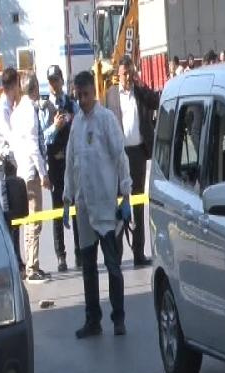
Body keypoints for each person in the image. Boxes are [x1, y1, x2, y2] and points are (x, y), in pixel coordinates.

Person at [63, 71, 131, 338]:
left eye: (86, 94)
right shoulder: (77, 125)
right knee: (88, 267)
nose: (82, 100)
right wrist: (67, 199)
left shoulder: (106, 120)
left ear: (94, 92)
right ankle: (93, 320)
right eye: (78, 95)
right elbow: (70, 165)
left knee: (113, 267)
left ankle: (119, 319)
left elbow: (120, 158)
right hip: (84, 207)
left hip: (106, 207)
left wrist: (126, 195)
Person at [106, 55, 159, 267]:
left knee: (137, 202)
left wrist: (141, 84)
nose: (127, 77)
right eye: (123, 73)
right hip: (118, 155)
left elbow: (156, 101)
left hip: (137, 153)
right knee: (120, 201)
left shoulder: (139, 92)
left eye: (129, 73)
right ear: (118, 75)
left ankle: (139, 252)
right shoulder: (110, 95)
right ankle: (117, 253)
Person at [39, 65, 81, 272]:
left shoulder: (72, 103)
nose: (54, 84)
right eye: (51, 81)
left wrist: (70, 121)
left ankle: (80, 252)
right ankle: (60, 255)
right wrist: (55, 127)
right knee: (57, 210)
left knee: (75, 208)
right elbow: (42, 136)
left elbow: (80, 127)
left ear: (62, 80)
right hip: (55, 163)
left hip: (71, 162)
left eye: (56, 80)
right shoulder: (44, 106)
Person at [11, 72, 52, 284]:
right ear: (34, 88)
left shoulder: (17, 112)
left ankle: (32, 264)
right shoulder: (30, 111)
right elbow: (34, 146)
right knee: (34, 222)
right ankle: (32, 267)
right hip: (31, 173)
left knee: (29, 222)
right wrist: (43, 173)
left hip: (21, 172)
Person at [0, 67, 24, 274]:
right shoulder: (3, 110)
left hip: (10, 165)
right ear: (14, 85)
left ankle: (17, 258)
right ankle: (14, 260)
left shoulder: (8, 107)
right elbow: (12, 140)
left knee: (15, 215)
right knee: (10, 215)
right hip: (6, 167)